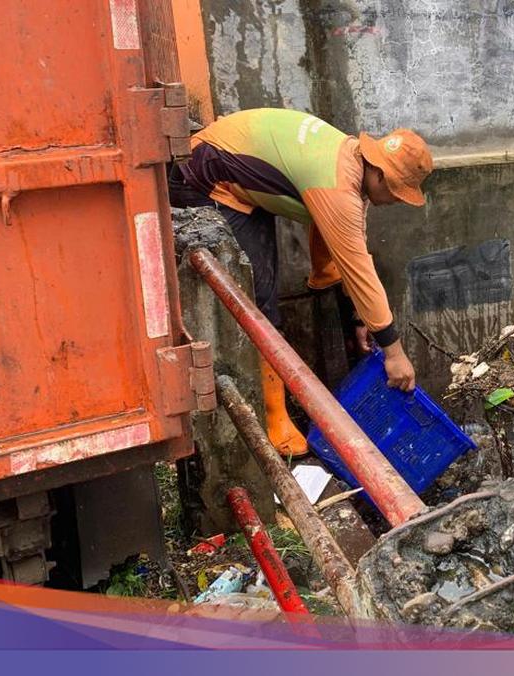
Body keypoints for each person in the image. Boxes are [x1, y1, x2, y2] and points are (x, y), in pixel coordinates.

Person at [168, 108, 433, 456]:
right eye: (398, 192)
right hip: (206, 177)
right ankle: (274, 419)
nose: (396, 201)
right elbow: (359, 268)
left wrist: (357, 316)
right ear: (381, 175)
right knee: (258, 300)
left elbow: (340, 240)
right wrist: (394, 353)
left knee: (264, 286)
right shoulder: (338, 187)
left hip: (237, 177)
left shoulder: (349, 163)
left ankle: (275, 409)